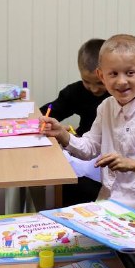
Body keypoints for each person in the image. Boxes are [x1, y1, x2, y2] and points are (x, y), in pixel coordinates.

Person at [41, 35, 135, 218]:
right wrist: (62, 135)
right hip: (106, 205)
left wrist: (134, 164)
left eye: (130, 73)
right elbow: (89, 148)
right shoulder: (106, 107)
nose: (121, 81)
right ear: (101, 76)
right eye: (113, 74)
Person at [39, 38, 109, 205]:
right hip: (83, 148)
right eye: (87, 82)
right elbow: (48, 112)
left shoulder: (117, 97)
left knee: (70, 187)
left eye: (100, 83)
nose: (93, 89)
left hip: (105, 160)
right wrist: (49, 123)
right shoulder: (76, 92)